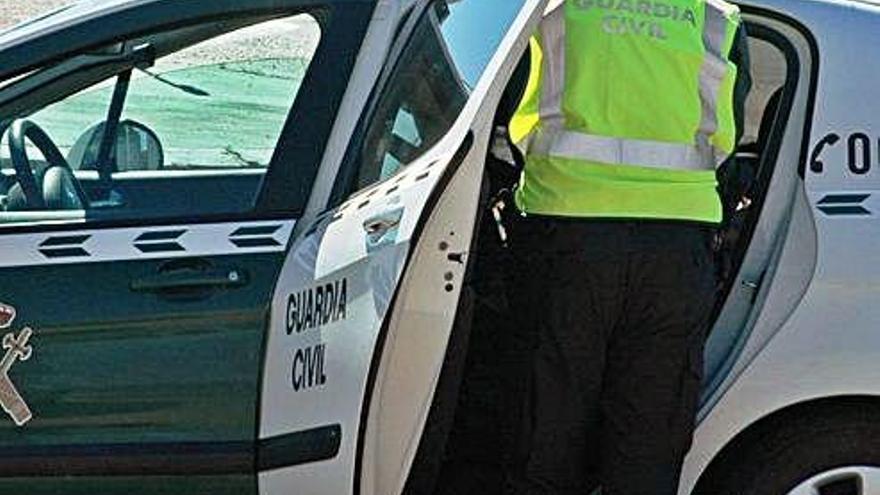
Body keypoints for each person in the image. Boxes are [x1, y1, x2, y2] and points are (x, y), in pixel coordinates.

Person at [503, 1, 752, 494]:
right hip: (678, 245)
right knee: (649, 438)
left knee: (546, 425)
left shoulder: (551, 8)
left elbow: (496, 108)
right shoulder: (717, 16)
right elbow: (730, 133)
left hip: (568, 231)